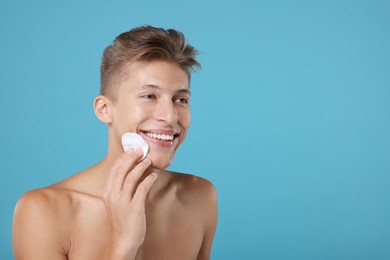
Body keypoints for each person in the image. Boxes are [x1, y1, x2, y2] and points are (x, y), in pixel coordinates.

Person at [12, 25, 218, 260]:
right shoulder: (42, 212)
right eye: (149, 96)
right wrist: (123, 242)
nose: (171, 116)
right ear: (104, 109)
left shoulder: (201, 197)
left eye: (181, 99)